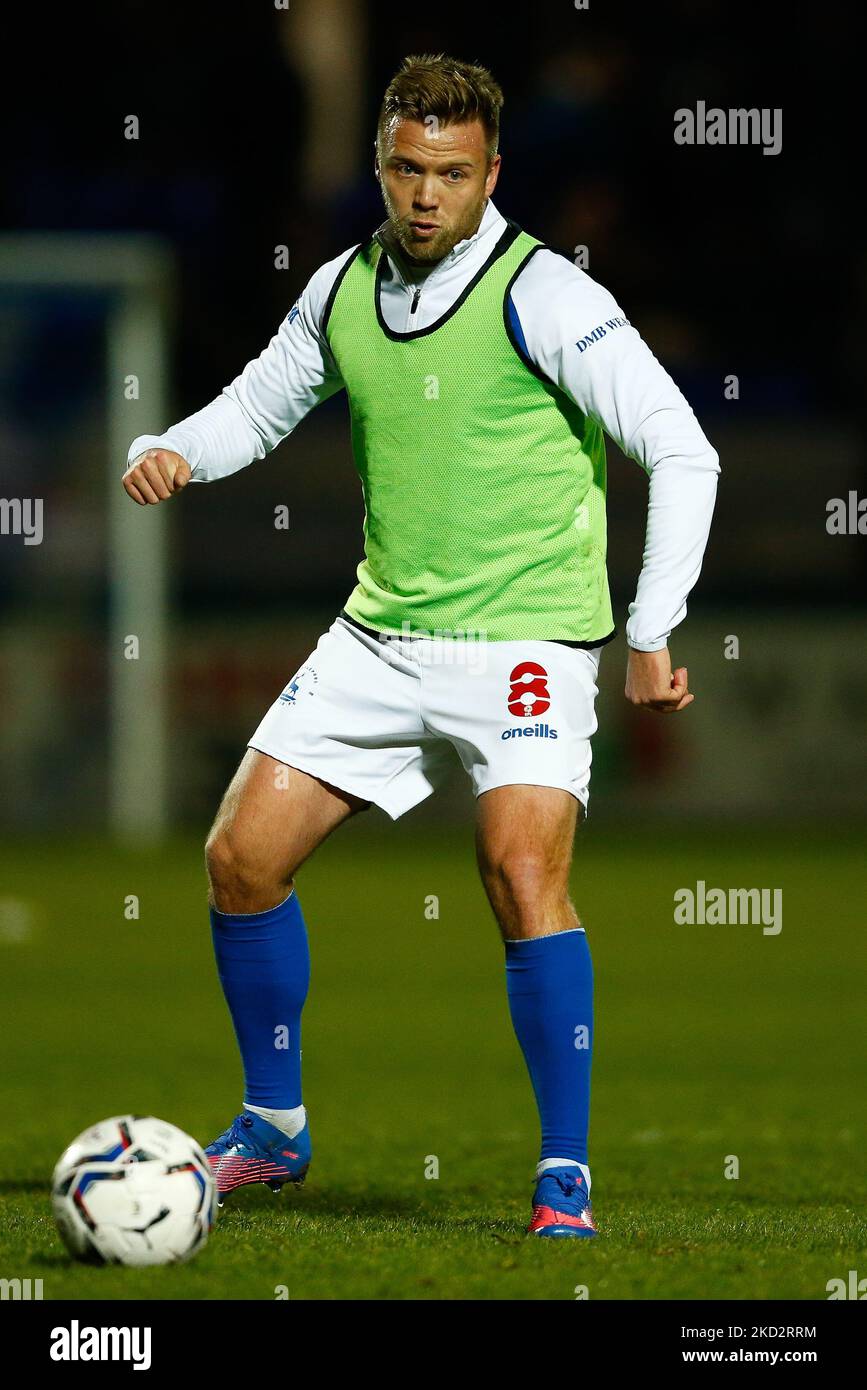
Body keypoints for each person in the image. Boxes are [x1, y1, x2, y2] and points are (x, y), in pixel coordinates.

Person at [123, 53, 719, 1238]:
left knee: (518, 874)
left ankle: (562, 1180)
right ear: (381, 164)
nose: (425, 195)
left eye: (450, 173)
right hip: (382, 632)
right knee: (240, 856)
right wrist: (180, 446)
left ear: (491, 171)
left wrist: (650, 629)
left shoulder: (544, 293)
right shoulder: (343, 287)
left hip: (527, 645)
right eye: (405, 169)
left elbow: (681, 444)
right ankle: (274, 1128)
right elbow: (259, 401)